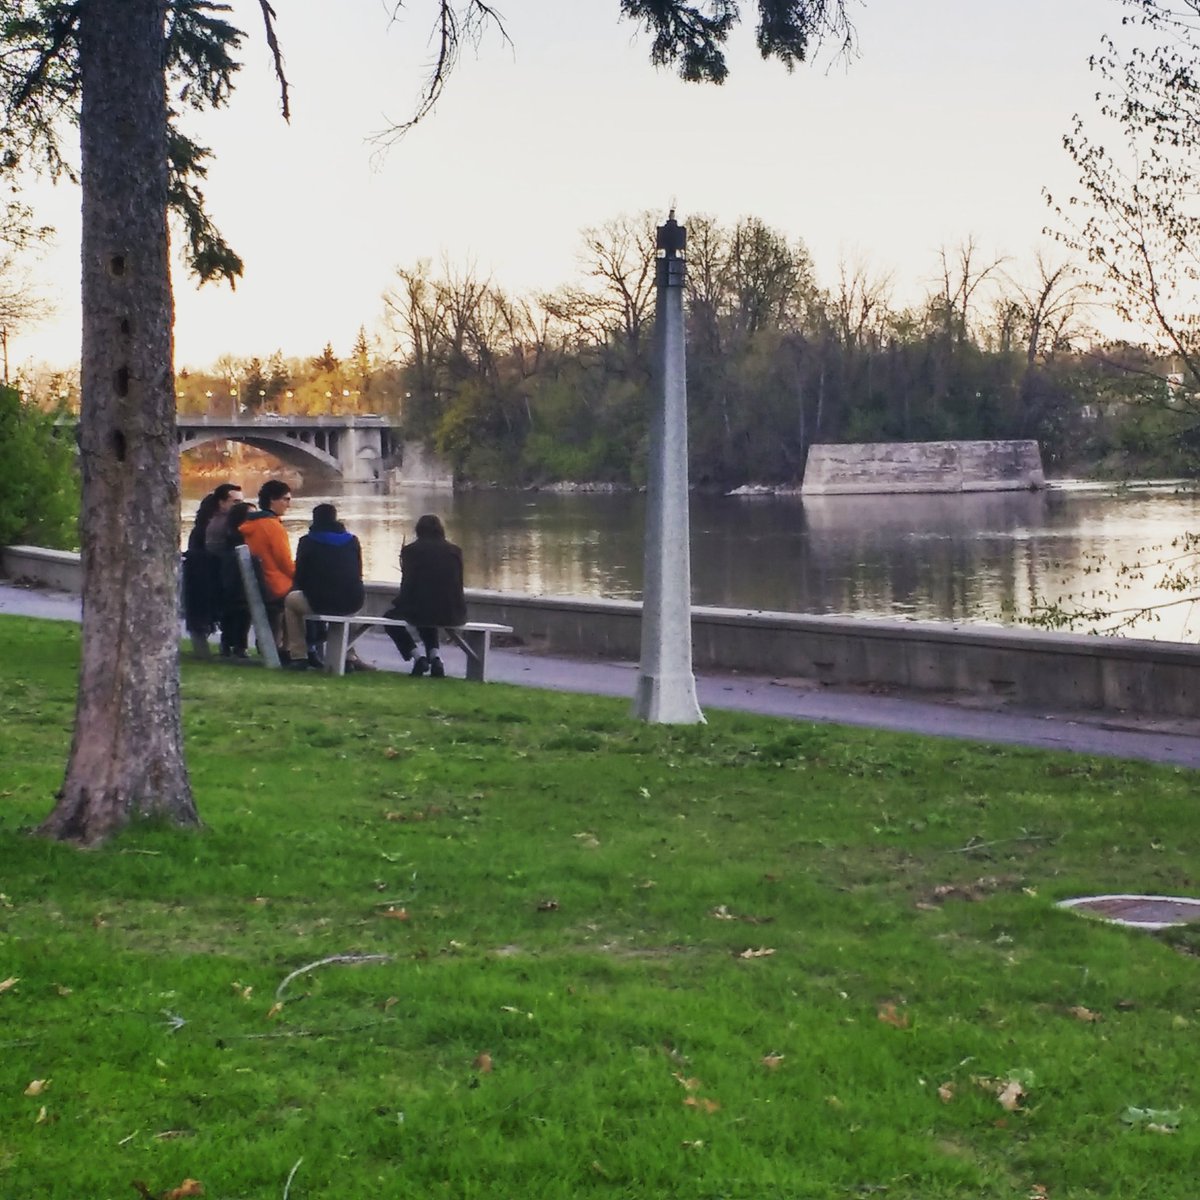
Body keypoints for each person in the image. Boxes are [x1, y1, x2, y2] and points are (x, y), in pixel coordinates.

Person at [282, 503, 365, 671]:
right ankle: (348, 656)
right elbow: (358, 571)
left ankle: (299, 655)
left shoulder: (307, 541)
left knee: (291, 602)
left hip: (319, 601)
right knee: (348, 610)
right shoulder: (352, 541)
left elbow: (300, 574)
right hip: (352, 600)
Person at [383, 513, 467, 678]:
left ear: (418, 530)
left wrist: (399, 604)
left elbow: (408, 585)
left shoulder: (410, 551)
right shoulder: (455, 551)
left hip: (421, 609)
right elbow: (458, 583)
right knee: (429, 613)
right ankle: (435, 657)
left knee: (392, 620)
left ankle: (417, 657)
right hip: (453, 611)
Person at [182, 482, 242, 654]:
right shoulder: (218, 527)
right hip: (211, 578)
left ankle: (216, 647)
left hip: (204, 578)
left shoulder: (206, 524)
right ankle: (232, 646)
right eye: (235, 502)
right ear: (221, 503)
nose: (240, 506)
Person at [236, 479, 295, 653]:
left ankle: (284, 647)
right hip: (276, 586)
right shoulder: (272, 527)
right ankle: (295, 649)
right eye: (285, 499)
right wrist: (302, 576)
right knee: (306, 597)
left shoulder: (250, 526)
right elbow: (285, 563)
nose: (288, 505)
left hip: (260, 583)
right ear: (272, 500)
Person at [217, 500, 256, 658]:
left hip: (233, 580)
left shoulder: (231, 537)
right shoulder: (237, 538)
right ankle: (237, 645)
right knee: (238, 610)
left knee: (238, 612)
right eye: (251, 515)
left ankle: (232, 645)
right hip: (234, 579)